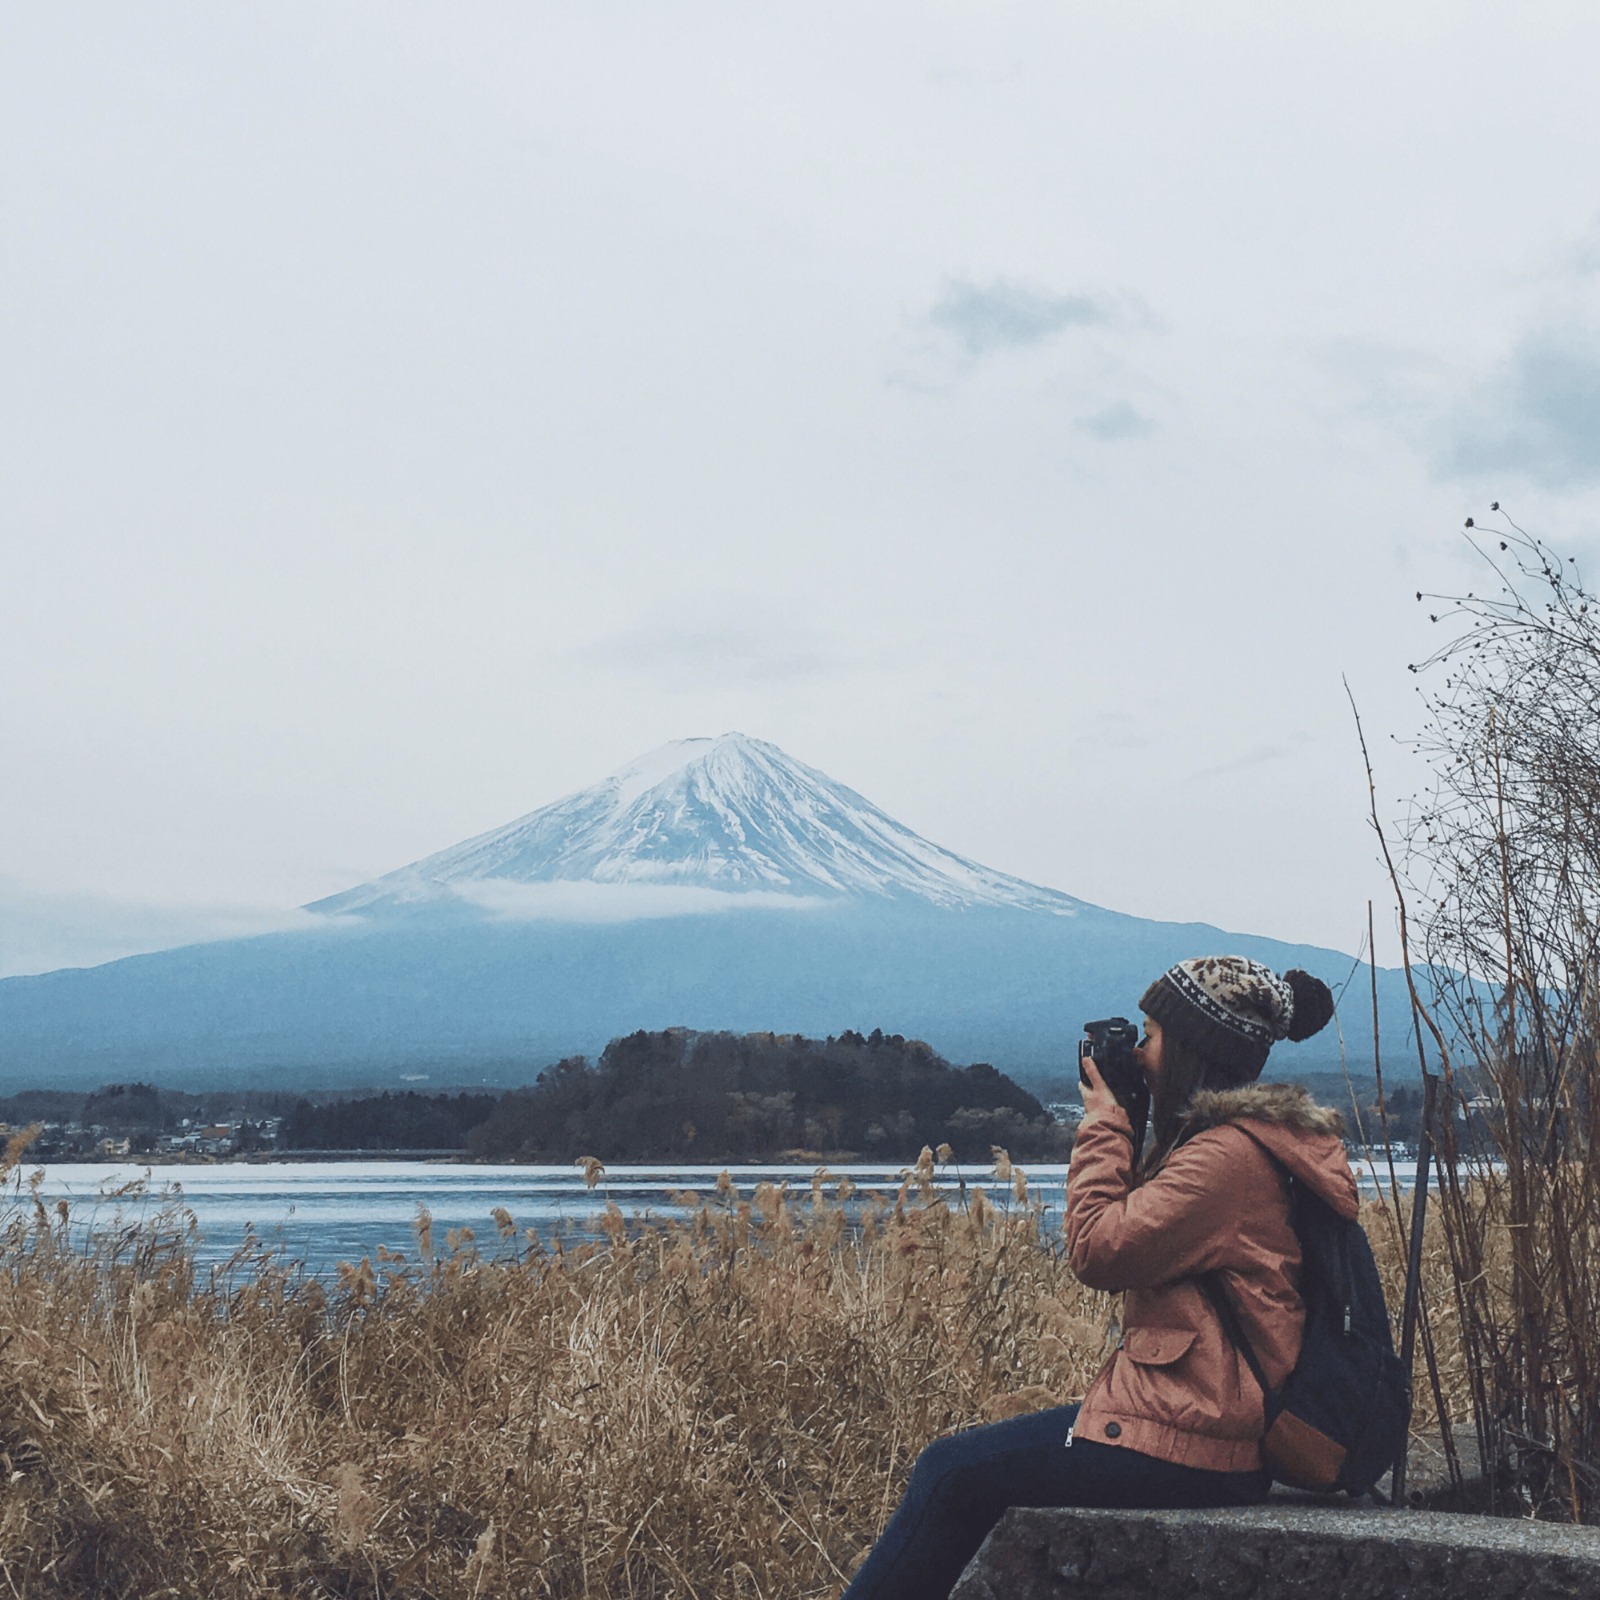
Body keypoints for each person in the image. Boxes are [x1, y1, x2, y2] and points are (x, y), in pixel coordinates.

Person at [839, 955, 1356, 1600]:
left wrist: (1108, 1119)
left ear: (1194, 1048)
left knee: (948, 1475)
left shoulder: (1227, 1159)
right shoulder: (1231, 1144)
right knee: (962, 1470)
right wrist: (1137, 1121)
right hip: (1201, 1422)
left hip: (1197, 1440)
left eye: (1151, 1037)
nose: (1137, 1055)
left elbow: (1096, 1249)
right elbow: (1141, 1228)